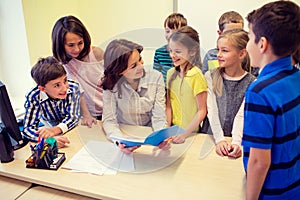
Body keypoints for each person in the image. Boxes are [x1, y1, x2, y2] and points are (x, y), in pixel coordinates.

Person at [242, 1, 300, 199]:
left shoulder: (259, 91)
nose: (247, 45)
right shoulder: (296, 76)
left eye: (249, 37)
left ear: (262, 44)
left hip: (272, 192)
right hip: (294, 185)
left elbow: (259, 162)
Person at [101, 39, 167, 154]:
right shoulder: (110, 85)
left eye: (140, 59)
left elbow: (159, 115)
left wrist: (161, 136)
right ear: (119, 70)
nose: (141, 66)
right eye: (133, 66)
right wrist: (120, 141)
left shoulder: (156, 77)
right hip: (124, 133)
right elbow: (109, 120)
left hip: (149, 137)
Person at [203, 29, 256, 158]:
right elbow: (212, 110)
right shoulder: (211, 76)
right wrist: (219, 139)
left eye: (225, 50)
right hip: (211, 137)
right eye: (218, 49)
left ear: (242, 53)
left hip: (235, 139)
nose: (219, 55)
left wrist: (236, 142)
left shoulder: (252, 82)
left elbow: (241, 116)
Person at [52, 15, 104, 127]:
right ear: (60, 44)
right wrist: (86, 115)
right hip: (86, 116)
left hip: (108, 112)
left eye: (80, 43)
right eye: (70, 45)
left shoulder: (97, 54)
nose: (76, 49)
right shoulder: (59, 64)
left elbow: (113, 86)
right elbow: (77, 91)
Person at [23, 57, 81, 148]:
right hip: (50, 128)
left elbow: (73, 117)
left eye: (65, 80)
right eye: (57, 85)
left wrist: (54, 130)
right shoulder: (34, 96)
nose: (65, 88)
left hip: (71, 129)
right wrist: (48, 140)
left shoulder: (73, 88)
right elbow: (28, 128)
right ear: (43, 89)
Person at [166, 26, 207, 144]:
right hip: (173, 133)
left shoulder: (197, 76)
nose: (172, 55)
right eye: (171, 50)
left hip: (191, 135)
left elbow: (202, 110)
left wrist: (184, 134)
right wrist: (166, 130)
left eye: (177, 52)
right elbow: (168, 107)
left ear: (192, 52)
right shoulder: (170, 74)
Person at [153, 13, 187, 83]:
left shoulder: (187, 52)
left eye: (175, 31)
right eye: (167, 31)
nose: (170, 35)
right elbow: (156, 77)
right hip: (164, 90)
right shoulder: (159, 52)